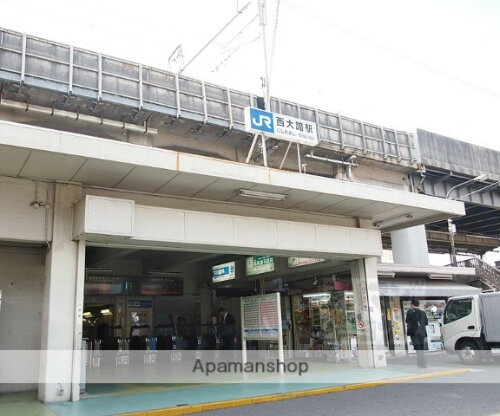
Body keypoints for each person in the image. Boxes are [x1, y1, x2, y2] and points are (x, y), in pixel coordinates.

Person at [405, 299, 429, 368]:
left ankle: (423, 364)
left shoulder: (409, 312)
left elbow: (407, 321)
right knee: (421, 348)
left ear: (412, 304)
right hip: (422, 332)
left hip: (414, 333)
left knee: (418, 349)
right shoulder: (423, 312)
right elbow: (426, 322)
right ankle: (420, 363)